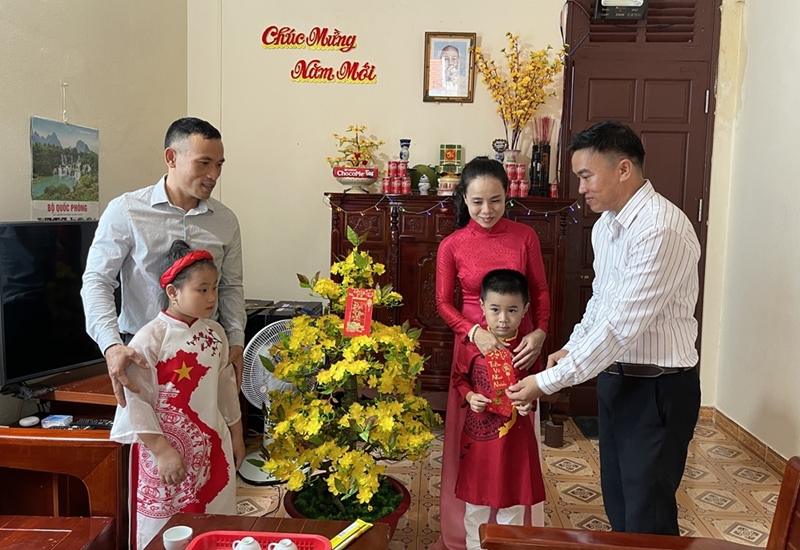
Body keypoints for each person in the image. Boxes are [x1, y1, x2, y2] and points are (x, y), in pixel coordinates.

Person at [507, 120, 701, 535]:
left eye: (586, 176)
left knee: (647, 516)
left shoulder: (660, 228)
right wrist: (573, 348)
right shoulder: (607, 226)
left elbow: (621, 326)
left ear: (624, 169)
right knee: (619, 503)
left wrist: (548, 381)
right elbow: (601, 303)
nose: (581, 188)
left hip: (657, 388)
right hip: (616, 380)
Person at [81, 117, 246, 407]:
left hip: (206, 352)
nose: (214, 175)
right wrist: (111, 346)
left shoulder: (226, 220)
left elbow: (231, 286)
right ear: (171, 157)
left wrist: (235, 341)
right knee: (148, 434)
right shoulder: (126, 211)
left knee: (205, 430)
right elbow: (97, 281)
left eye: (219, 165)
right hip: (142, 355)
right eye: (204, 163)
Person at [433, 156, 550, 550]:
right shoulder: (452, 245)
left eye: (496, 200)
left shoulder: (524, 237)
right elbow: (443, 303)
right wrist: (473, 332)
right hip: (472, 347)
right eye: (478, 201)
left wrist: (540, 332)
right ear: (464, 199)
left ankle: (516, 532)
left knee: (516, 432)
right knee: (475, 436)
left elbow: (540, 291)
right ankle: (467, 531)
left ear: (507, 196)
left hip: (519, 345)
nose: (487, 210)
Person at [109, 239, 245, 549]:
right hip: (166, 451)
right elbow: (136, 402)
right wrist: (162, 451)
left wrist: (236, 436)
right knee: (167, 528)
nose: (212, 297)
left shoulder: (216, 334)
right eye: (202, 289)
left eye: (215, 288)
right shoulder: (149, 339)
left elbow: (226, 392)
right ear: (173, 292)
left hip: (211, 445)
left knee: (215, 519)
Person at [452, 269, 546, 550]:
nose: (503, 319)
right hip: (479, 441)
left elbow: (539, 383)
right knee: (476, 505)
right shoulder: (472, 345)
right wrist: (470, 397)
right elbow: (459, 379)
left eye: (512, 310)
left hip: (516, 439)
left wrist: (529, 402)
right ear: (482, 306)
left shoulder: (528, 348)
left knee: (512, 504)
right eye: (495, 309)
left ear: (525, 310)